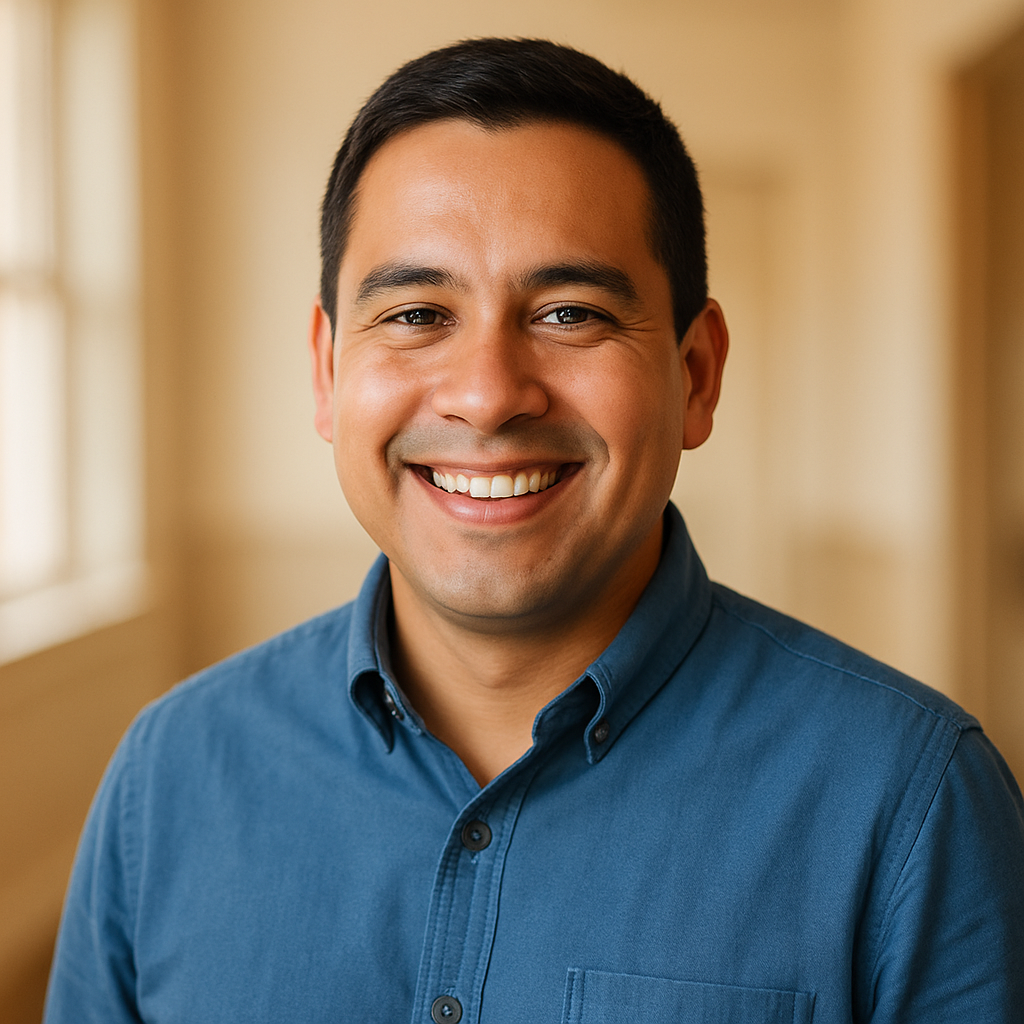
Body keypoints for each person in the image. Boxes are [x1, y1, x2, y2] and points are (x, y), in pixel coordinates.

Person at [45, 38, 1023, 1024]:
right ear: (326, 371)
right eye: (419, 313)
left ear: (695, 374)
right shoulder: (167, 780)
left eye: (568, 312)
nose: (486, 395)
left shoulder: (911, 803)